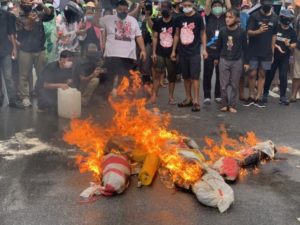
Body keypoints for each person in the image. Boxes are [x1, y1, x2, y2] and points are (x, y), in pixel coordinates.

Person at [99, 0, 147, 98]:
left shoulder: (132, 20)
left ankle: (122, 101)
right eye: (120, 9)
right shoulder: (108, 19)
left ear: (127, 9)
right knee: (109, 78)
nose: (122, 12)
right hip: (112, 54)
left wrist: (143, 50)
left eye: (125, 10)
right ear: (116, 9)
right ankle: (106, 100)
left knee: (124, 79)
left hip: (128, 55)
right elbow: (96, 21)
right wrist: (96, 8)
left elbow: (138, 36)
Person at [171, 0, 208, 112]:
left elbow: (202, 33)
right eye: (185, 5)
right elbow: (177, 35)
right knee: (186, 77)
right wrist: (173, 51)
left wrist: (204, 50)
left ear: (193, 6)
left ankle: (196, 101)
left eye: (189, 5)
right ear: (182, 5)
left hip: (194, 53)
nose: (186, 7)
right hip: (182, 53)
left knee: (195, 78)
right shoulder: (179, 18)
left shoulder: (198, 17)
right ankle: (188, 99)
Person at [16, 0, 54, 107]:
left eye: (29, 2)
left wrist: (41, 4)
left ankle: (42, 96)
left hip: (39, 49)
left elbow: (50, 14)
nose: (27, 5)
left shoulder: (37, 13)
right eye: (25, 3)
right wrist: (30, 21)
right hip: (25, 50)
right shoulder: (19, 17)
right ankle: (25, 97)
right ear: (21, 4)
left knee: (41, 74)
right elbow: (26, 29)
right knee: (24, 75)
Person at [244, 0, 278, 108]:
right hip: (253, 50)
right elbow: (248, 32)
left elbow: (274, 36)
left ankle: (258, 97)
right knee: (252, 74)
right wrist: (258, 31)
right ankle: (251, 96)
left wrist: (272, 52)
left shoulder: (275, 18)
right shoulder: (254, 16)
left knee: (262, 74)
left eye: (269, 3)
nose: (267, 5)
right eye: (265, 3)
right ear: (261, 4)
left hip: (267, 51)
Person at [216, 8, 249, 113]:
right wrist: (217, 59)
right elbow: (218, 46)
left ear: (237, 19)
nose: (227, 19)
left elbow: (245, 47)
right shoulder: (222, 31)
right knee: (223, 84)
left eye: (230, 17)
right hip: (224, 59)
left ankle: (233, 105)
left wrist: (246, 62)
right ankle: (224, 104)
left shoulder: (242, 32)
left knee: (235, 84)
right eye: (226, 16)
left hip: (237, 60)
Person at [263, 9, 297, 105]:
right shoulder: (276, 28)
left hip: (284, 57)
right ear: (281, 18)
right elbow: (269, 40)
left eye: (289, 19)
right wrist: (276, 46)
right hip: (274, 56)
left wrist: (289, 45)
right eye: (286, 18)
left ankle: (282, 97)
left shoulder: (292, 31)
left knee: (283, 75)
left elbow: (295, 43)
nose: (287, 20)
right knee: (269, 75)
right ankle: (265, 93)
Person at [203, 0, 230, 105]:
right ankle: (207, 96)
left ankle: (218, 95)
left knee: (220, 74)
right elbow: (207, 5)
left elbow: (229, 8)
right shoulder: (208, 17)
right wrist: (209, 3)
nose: (217, 7)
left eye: (219, 5)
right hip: (209, 50)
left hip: (222, 51)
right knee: (207, 74)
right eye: (215, 5)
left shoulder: (225, 18)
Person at [151, 1, 177, 104]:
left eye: (167, 8)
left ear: (171, 10)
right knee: (157, 75)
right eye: (163, 8)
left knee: (171, 77)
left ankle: (170, 98)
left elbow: (176, 36)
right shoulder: (157, 22)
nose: (164, 10)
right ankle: (154, 96)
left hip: (171, 54)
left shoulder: (175, 22)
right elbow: (155, 37)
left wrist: (174, 51)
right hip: (159, 53)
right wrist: (153, 53)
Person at [0, 1, 22, 108]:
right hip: (4, 49)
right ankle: (0, 98)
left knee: (8, 76)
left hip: (5, 50)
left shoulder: (6, 15)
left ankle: (12, 99)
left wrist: (14, 48)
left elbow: (11, 32)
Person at [290, 3, 300, 102]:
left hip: (298, 46)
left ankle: (294, 94)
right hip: (299, 47)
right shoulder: (298, 18)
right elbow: (296, 32)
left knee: (297, 71)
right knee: (297, 72)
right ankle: (293, 94)